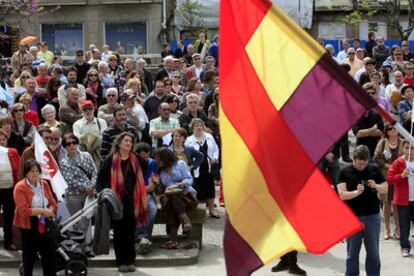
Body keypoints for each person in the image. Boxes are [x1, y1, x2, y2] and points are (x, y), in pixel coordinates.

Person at [97, 132, 148, 272]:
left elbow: (148, 166)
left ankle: (131, 260)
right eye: (126, 141)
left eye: (130, 142)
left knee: (130, 233)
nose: (129, 143)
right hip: (116, 202)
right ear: (119, 143)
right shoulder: (110, 159)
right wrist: (102, 194)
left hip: (133, 201)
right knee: (119, 233)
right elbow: (100, 178)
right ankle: (121, 262)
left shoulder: (136, 158)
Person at [338, 145, 387, 276]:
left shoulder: (374, 169)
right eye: (359, 163)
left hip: (372, 217)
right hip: (353, 218)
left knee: (373, 253)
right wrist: (356, 192)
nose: (362, 166)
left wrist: (376, 186)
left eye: (364, 163)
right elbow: (341, 194)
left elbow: (385, 188)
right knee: (352, 254)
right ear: (353, 159)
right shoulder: (345, 172)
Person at [13, 159, 57, 276]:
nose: (35, 174)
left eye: (37, 171)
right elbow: (23, 211)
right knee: (29, 258)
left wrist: (50, 211)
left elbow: (53, 203)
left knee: (49, 257)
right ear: (26, 173)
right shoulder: (20, 187)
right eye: (32, 171)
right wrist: (43, 211)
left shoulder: (44, 184)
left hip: (44, 222)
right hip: (28, 224)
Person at [60, 133, 97, 257]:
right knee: (76, 223)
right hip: (74, 196)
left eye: (74, 142)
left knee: (86, 220)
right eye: (68, 143)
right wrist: (86, 187)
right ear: (64, 147)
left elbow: (94, 171)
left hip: (89, 194)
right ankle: (77, 248)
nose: (71, 145)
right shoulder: (64, 162)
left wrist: (92, 186)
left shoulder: (86, 155)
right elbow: (70, 180)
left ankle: (85, 246)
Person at [153, 147, 197, 248]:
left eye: (159, 159)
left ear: (166, 158)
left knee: (173, 198)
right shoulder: (161, 172)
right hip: (171, 199)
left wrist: (180, 185)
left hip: (187, 196)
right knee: (172, 198)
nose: (157, 161)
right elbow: (160, 191)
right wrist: (157, 184)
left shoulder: (180, 164)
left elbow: (189, 179)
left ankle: (173, 238)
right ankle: (185, 220)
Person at [185, 118, 219, 218]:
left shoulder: (209, 137)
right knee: (198, 189)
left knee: (210, 189)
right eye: (196, 126)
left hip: (208, 167)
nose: (199, 127)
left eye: (200, 125)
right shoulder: (189, 140)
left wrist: (214, 158)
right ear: (192, 128)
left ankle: (212, 211)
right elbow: (188, 155)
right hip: (197, 169)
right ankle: (199, 211)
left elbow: (216, 149)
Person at [374, 124, 403, 240]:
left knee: (396, 204)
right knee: (386, 203)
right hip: (386, 176)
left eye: (395, 128)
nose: (393, 130)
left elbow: (410, 155)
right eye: (390, 129)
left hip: (400, 177)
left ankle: (397, 228)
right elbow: (376, 157)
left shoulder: (403, 142)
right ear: (387, 131)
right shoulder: (382, 142)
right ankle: (387, 228)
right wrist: (387, 166)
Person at [387, 140, 414, 257]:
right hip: (403, 200)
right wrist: (402, 175)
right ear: (403, 149)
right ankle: (405, 247)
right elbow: (389, 178)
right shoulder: (398, 162)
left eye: (412, 148)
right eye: (407, 148)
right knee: (404, 225)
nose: (410, 150)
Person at [134, 142, 158, 254]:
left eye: (147, 156)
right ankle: (139, 238)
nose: (145, 159)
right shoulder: (132, 163)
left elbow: (151, 186)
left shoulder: (151, 163)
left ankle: (145, 238)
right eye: (142, 156)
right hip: (133, 195)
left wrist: (143, 188)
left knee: (152, 209)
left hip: (146, 194)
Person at [0, 128, 20, 250]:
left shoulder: (13, 152)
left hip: (10, 190)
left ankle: (9, 242)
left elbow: (18, 169)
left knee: (9, 217)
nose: (1, 141)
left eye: (3, 139)